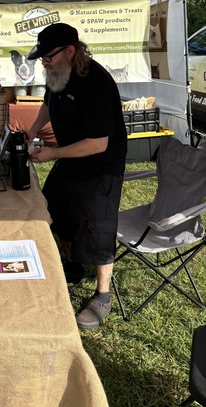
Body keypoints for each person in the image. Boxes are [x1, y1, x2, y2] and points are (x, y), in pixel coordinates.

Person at [25, 23, 127, 329]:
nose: (44, 62)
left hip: (99, 166)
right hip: (70, 157)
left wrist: (53, 153)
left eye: (49, 56)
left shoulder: (93, 81)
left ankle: (103, 294)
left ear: (71, 51)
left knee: (97, 226)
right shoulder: (59, 74)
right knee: (54, 208)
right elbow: (47, 104)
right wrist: (31, 132)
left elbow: (99, 143)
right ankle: (74, 265)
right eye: (41, 57)